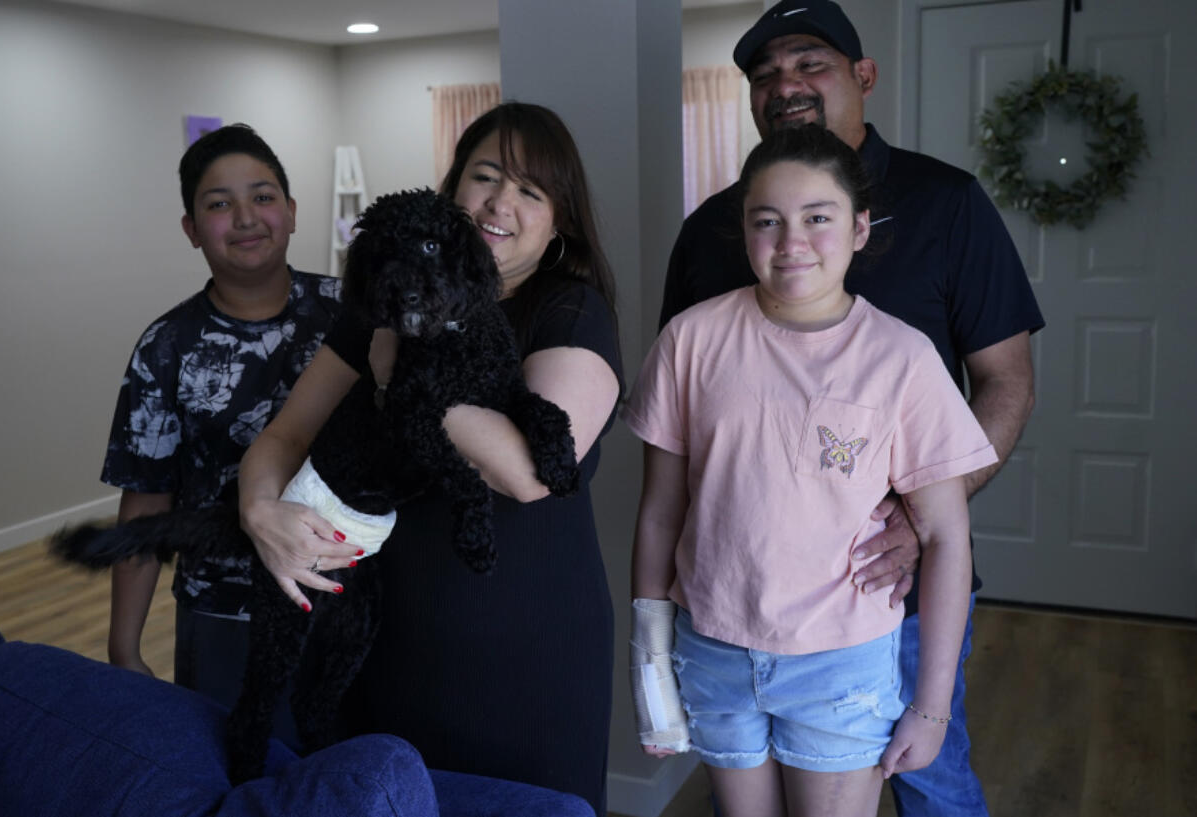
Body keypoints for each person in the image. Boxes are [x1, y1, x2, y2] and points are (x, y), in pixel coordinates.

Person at [658, 2, 1045, 814]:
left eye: (810, 63)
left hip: (888, 587)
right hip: (737, 615)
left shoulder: (948, 203)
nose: (784, 85)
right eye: (764, 75)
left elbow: (1005, 381)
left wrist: (921, 519)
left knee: (931, 773)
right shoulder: (711, 232)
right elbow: (688, 431)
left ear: (864, 76)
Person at [237, 102, 622, 815]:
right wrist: (262, 512)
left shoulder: (571, 311)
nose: (500, 202)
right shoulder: (382, 300)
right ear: (452, 190)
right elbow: (284, 437)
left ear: (559, 220)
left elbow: (525, 472)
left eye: (531, 191)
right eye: (485, 176)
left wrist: (397, 374)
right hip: (387, 639)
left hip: (527, 655)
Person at [627, 124, 999, 817]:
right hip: (712, 650)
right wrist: (650, 666)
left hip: (843, 662)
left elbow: (947, 535)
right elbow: (658, 511)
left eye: (817, 218)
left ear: (860, 227)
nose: (790, 242)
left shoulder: (903, 357)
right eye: (766, 221)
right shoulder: (691, 340)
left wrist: (933, 706)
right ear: (743, 232)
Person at [100, 124, 342, 735]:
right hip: (226, 615)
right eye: (218, 204)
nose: (245, 217)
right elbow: (147, 501)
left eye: (262, 197)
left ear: (290, 211)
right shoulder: (166, 347)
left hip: (355, 601)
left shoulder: (355, 313)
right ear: (191, 229)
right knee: (238, 784)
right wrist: (124, 649)